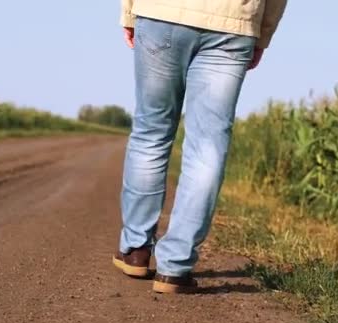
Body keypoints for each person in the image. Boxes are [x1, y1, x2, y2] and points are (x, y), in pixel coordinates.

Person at [112, 0, 287, 294]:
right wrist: (262, 32)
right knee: (208, 144)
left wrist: (129, 11)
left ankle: (135, 249)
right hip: (232, 25)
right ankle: (176, 266)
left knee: (151, 132)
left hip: (162, 13)